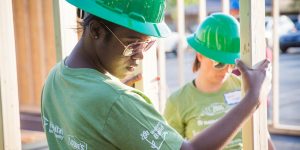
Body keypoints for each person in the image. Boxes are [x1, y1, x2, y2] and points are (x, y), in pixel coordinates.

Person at [41, 0, 271, 149]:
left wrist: (110, 86)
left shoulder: (56, 78)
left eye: (147, 45)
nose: (140, 57)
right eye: (132, 45)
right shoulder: (116, 102)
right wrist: (251, 100)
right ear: (97, 31)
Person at [164, 13, 275, 150]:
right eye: (220, 63)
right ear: (199, 55)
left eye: (232, 63)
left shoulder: (244, 87)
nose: (227, 70)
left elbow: (262, 132)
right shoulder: (177, 102)